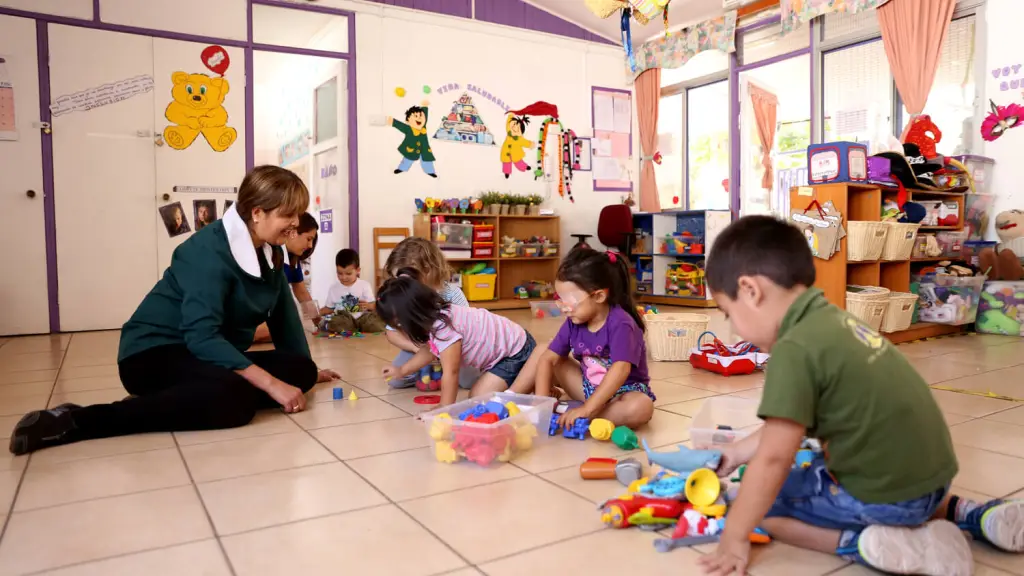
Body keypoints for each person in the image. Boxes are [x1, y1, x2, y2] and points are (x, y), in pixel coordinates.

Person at [697, 216, 1023, 576]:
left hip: (890, 499)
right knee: (826, 468)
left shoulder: (794, 349)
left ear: (750, 290)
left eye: (728, 313)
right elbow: (787, 426)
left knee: (761, 507)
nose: (733, 327)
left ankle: (871, 545)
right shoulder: (835, 321)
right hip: (932, 480)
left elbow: (774, 458)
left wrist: (734, 535)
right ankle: (972, 514)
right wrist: (737, 452)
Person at [8, 166, 340, 455]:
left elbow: (284, 321)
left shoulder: (272, 252)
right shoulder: (205, 251)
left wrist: (307, 371)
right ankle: (77, 419)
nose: (295, 225)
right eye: (288, 216)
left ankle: (176, 401)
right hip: (153, 354)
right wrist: (270, 384)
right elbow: (201, 337)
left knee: (299, 371)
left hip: (207, 357)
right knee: (234, 402)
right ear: (257, 212)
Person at [533, 247, 655, 430]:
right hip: (588, 388)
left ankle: (584, 414)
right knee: (548, 353)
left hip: (622, 391)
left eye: (570, 301)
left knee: (641, 407)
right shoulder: (573, 321)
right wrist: (541, 407)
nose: (564, 308)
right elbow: (547, 359)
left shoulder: (621, 324)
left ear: (599, 296)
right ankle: (575, 412)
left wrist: (587, 409)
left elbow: (621, 369)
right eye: (560, 299)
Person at [377, 276, 539, 408]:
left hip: (516, 352)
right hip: (505, 355)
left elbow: (451, 372)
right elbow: (429, 350)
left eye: (399, 324)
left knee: (478, 398)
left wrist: (445, 407)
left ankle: (529, 379)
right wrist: (402, 370)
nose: (400, 330)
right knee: (479, 395)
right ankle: (531, 377)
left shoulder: (443, 327)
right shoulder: (435, 318)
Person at [382, 237, 480, 390]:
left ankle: (444, 372)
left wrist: (443, 355)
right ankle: (432, 370)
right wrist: (415, 348)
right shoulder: (404, 298)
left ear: (427, 271)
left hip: (452, 349)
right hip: (420, 348)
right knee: (395, 380)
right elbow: (391, 333)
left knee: (470, 381)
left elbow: (467, 331)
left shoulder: (452, 294)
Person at [253, 212, 320, 342]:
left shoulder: (292, 260)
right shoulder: (269, 253)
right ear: (293, 233)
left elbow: (301, 291)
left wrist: (319, 321)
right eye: (308, 239)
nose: (310, 246)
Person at [319, 249, 385, 334]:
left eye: (348, 274)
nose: (343, 277)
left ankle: (360, 327)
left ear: (358, 270)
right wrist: (318, 312)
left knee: (375, 322)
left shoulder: (364, 285)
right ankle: (346, 327)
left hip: (363, 318)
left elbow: (374, 305)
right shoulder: (333, 288)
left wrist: (368, 306)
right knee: (335, 322)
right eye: (339, 273)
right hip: (345, 319)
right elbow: (329, 308)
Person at [387, 101, 437, 177]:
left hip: (424, 149)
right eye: (415, 116)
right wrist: (393, 122)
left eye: (420, 116)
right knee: (407, 159)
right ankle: (402, 168)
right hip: (411, 149)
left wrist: (425, 106)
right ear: (408, 121)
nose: (419, 118)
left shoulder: (423, 127)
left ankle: (430, 171)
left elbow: (425, 117)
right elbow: (400, 125)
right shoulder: (408, 129)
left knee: (427, 160)